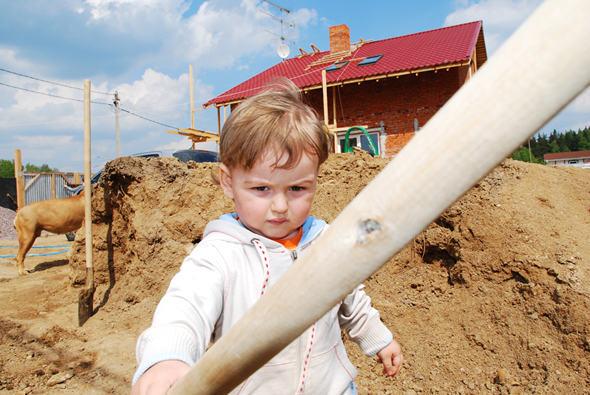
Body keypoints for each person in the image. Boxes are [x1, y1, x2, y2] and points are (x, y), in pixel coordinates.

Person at [130, 79, 403, 395]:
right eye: (261, 189)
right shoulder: (220, 254)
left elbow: (350, 299)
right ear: (228, 182)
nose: (280, 206)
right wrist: (165, 359)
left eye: (297, 188)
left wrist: (378, 338)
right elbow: (185, 307)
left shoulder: (325, 241)